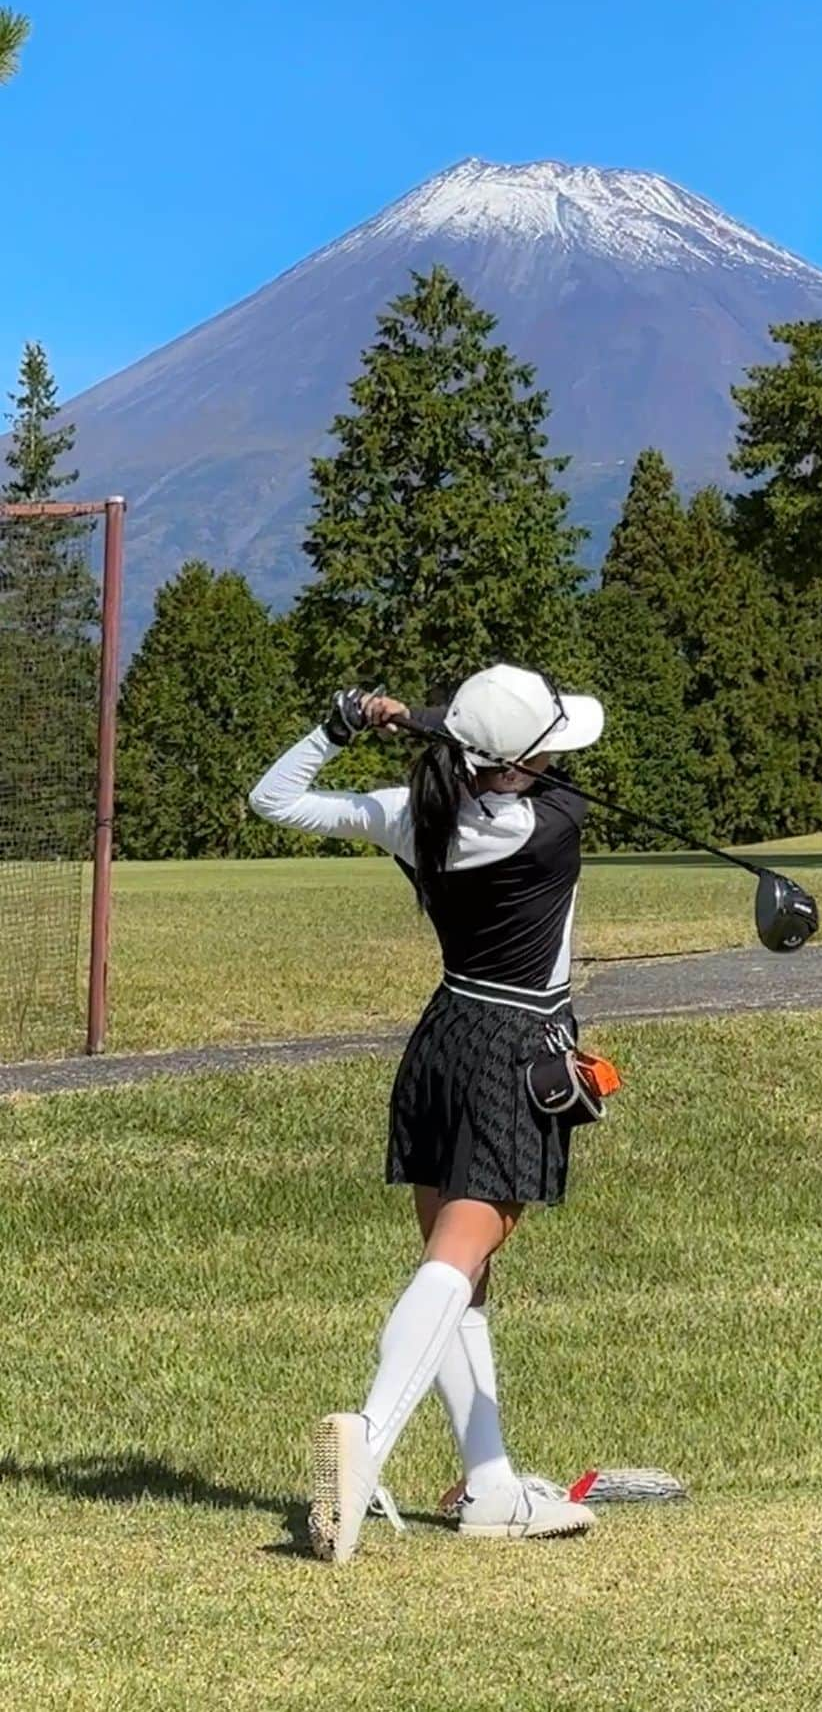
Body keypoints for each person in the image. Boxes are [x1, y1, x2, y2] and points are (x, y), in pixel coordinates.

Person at [248, 662, 606, 1560]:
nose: (561, 758)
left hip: (443, 1037)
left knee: (459, 1279)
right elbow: (532, 773)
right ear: (517, 763)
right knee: (459, 1260)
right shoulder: (555, 822)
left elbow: (274, 798)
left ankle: (490, 1483)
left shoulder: (413, 814)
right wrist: (429, 720)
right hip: (517, 1050)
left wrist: (345, 723)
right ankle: (365, 1441)